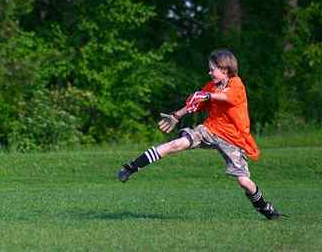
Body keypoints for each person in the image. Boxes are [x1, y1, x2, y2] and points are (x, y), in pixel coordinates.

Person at [118, 49, 282, 220]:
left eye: (212, 69)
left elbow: (226, 98)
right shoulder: (211, 86)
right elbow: (195, 104)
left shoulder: (236, 84)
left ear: (225, 69)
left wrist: (208, 95)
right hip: (209, 130)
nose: (209, 72)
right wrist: (176, 116)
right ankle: (132, 167)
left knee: (244, 182)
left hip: (233, 140)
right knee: (176, 144)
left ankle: (264, 207)